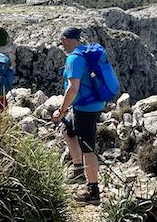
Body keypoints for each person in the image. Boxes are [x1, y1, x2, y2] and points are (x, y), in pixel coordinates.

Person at [51, 27, 104, 205]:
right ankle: (78, 170)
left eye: (61, 42)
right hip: (89, 104)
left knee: (88, 149)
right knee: (68, 131)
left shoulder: (74, 58)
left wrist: (62, 110)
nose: (61, 45)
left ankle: (93, 191)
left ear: (65, 39)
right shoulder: (85, 52)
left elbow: (72, 88)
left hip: (86, 109)